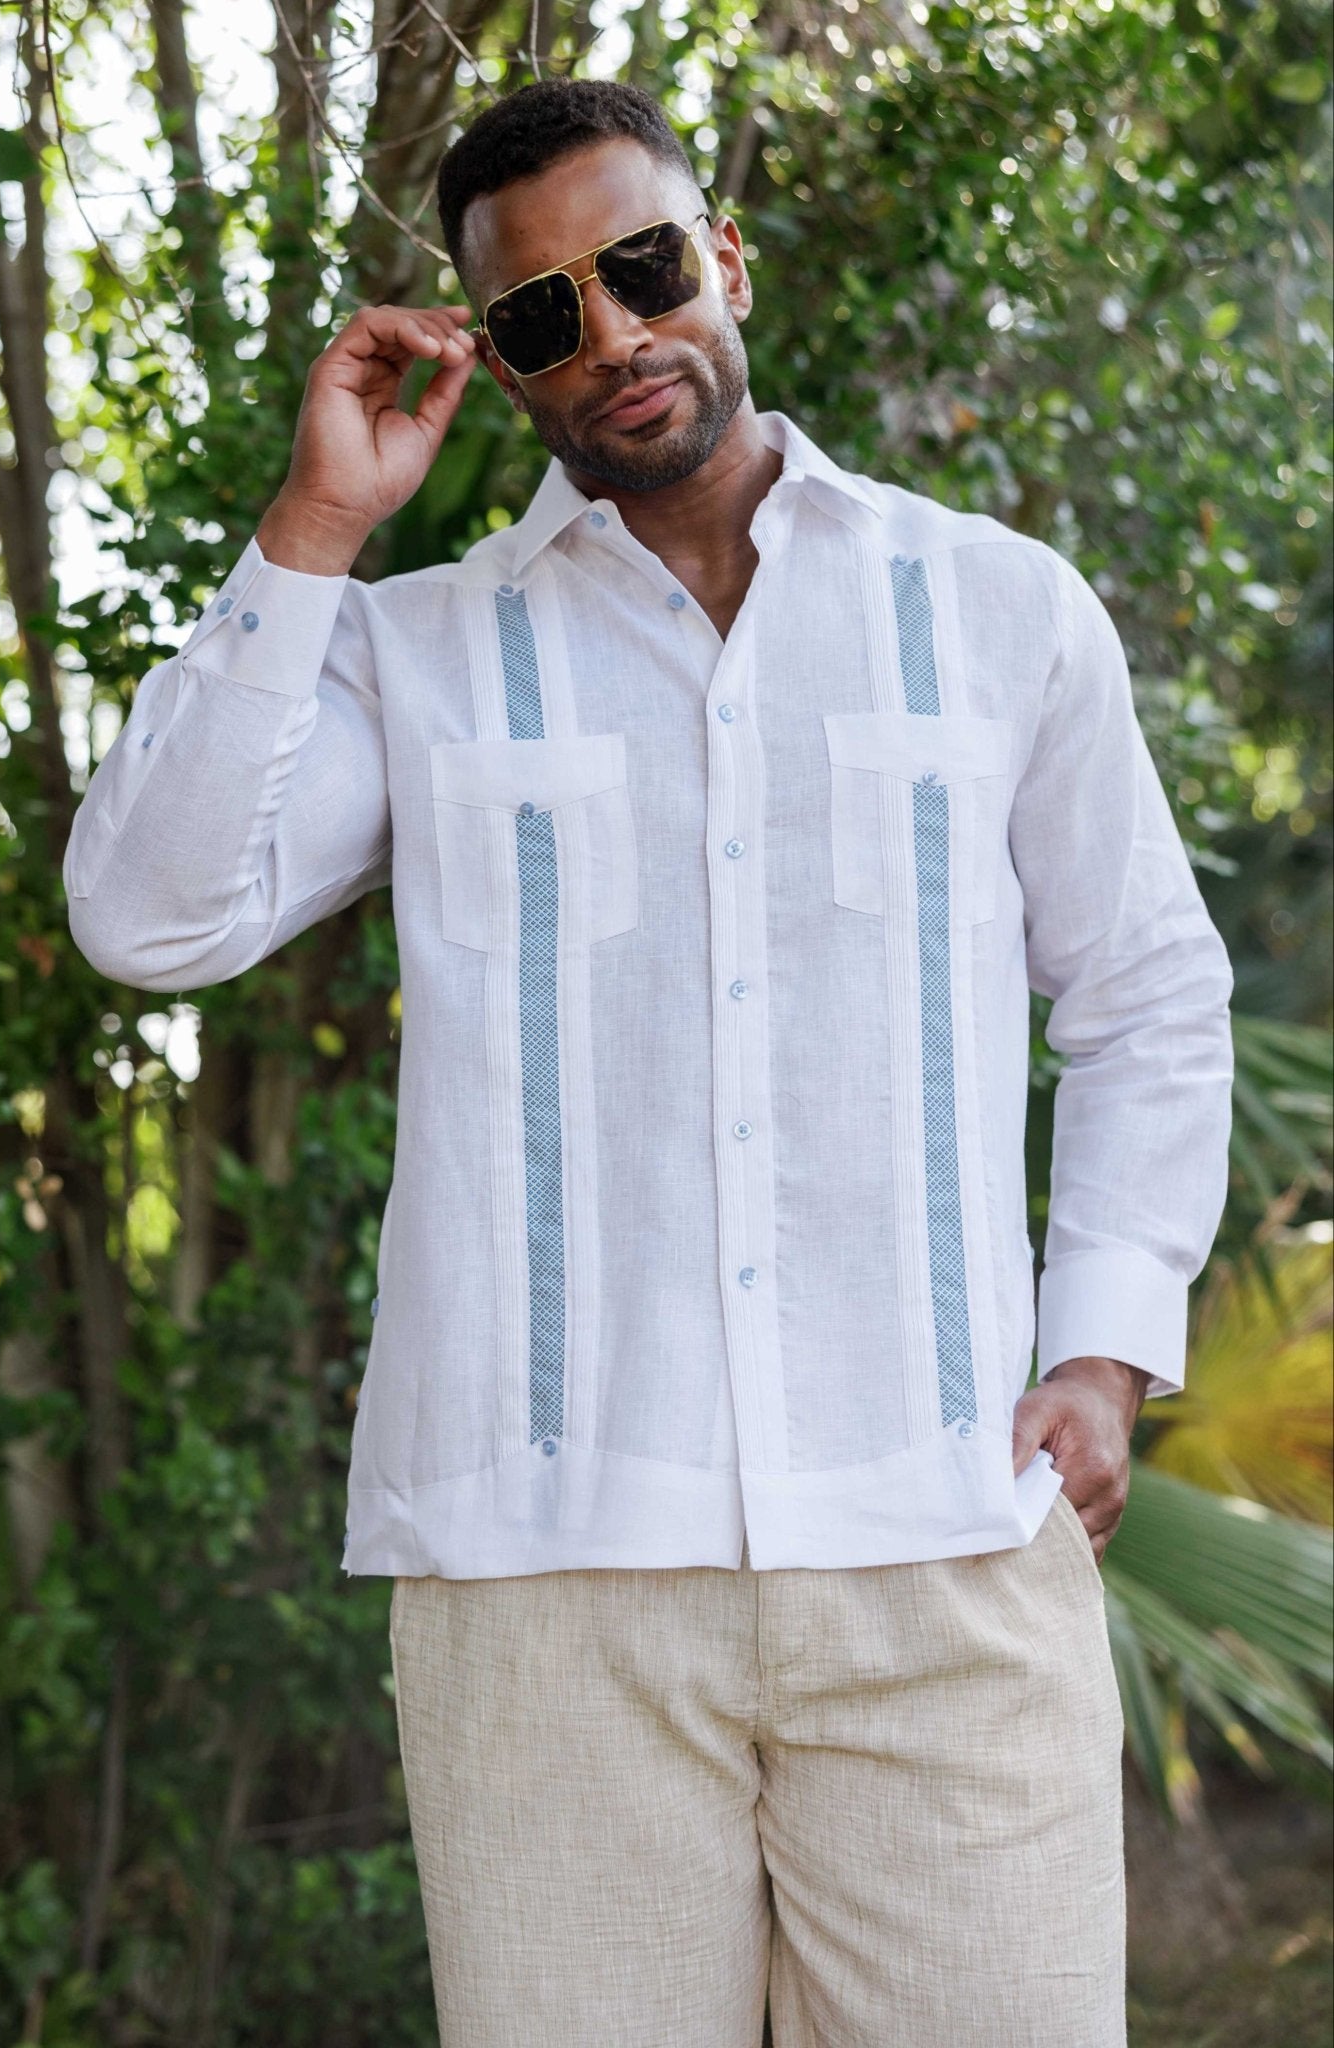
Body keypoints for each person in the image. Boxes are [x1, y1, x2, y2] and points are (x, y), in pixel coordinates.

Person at [63, 75, 1235, 2048]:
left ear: (725, 261)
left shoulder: (993, 610)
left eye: (643, 267)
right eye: (543, 313)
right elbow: (144, 916)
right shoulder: (416, 653)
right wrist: (318, 524)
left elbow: (1142, 996)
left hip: (940, 1537)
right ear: (497, 358)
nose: (610, 334)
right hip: (547, 1593)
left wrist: (1104, 1350)